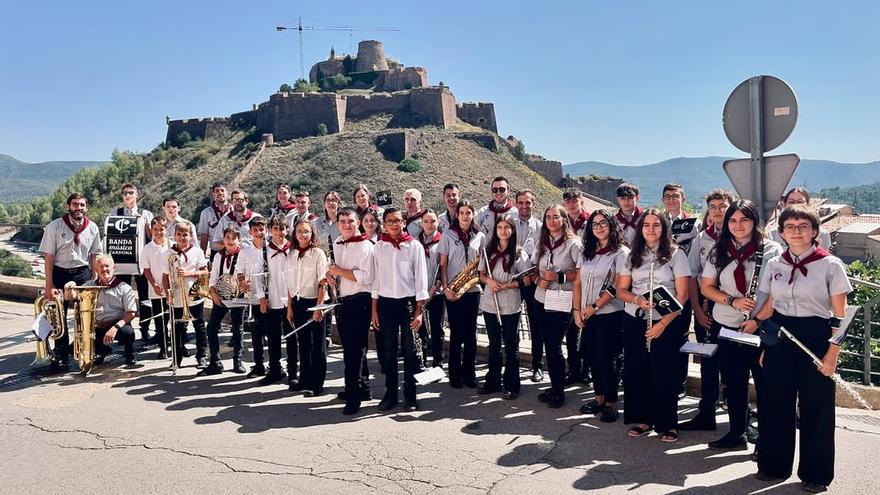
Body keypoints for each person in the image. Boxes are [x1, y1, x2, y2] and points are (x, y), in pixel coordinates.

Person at [748, 205, 851, 493]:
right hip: (780, 336)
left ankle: (816, 474)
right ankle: (773, 465)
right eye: (790, 226)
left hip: (817, 336)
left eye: (803, 225)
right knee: (774, 403)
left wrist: (832, 354)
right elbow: (770, 307)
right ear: (781, 232)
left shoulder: (831, 264)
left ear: (814, 231)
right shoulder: (774, 264)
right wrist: (765, 341)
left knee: (816, 407)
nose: (796, 230)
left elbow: (840, 316)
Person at [700, 200, 783, 450]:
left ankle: (767, 441)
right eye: (733, 220)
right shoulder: (719, 250)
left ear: (754, 222)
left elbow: (777, 293)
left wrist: (757, 319)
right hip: (727, 326)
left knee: (765, 384)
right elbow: (706, 287)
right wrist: (732, 301)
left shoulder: (772, 250)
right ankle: (737, 433)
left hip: (760, 327)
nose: (738, 225)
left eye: (744, 220)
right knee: (734, 383)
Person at [616, 209, 690, 443]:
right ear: (640, 229)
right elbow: (621, 290)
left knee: (664, 372)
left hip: (666, 320)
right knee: (638, 370)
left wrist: (663, 324)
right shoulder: (632, 256)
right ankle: (644, 419)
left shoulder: (676, 254)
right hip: (635, 317)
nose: (650, 229)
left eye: (656, 225)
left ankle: (668, 424)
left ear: (664, 227)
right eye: (646, 225)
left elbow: (683, 295)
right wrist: (637, 300)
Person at [680, 189, 735, 431]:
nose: (717, 211)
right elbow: (692, 277)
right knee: (708, 362)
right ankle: (706, 413)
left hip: (734, 305)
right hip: (706, 304)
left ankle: (739, 419)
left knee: (734, 363)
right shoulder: (701, 239)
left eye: (722, 206)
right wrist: (697, 311)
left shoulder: (739, 237)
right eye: (713, 207)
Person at [572, 209, 629, 422]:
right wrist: (577, 310)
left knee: (608, 359)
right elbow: (577, 281)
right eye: (594, 224)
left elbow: (617, 285)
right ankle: (598, 399)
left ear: (611, 225)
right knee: (592, 358)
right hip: (587, 313)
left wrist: (594, 306)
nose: (598, 227)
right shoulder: (587, 251)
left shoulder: (620, 252)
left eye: (603, 223)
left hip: (609, 313)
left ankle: (612, 404)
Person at [371, 207, 429, 411]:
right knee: (387, 351)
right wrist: (374, 309)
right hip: (386, 303)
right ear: (384, 224)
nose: (394, 224)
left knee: (410, 350)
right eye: (389, 221)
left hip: (408, 303)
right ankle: (390, 393)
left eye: (397, 220)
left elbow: (421, 280)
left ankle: (410, 395)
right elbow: (375, 281)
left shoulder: (414, 246)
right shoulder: (379, 247)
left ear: (403, 222)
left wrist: (419, 311)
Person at [39, 192, 103, 371]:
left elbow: (96, 252)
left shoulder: (92, 227)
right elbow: (48, 257)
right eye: (75, 205)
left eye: (82, 205)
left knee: (85, 315)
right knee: (58, 317)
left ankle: (84, 351)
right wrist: (49, 284)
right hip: (60, 273)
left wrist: (95, 275)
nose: (78, 208)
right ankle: (60, 355)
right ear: (68, 206)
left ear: (86, 207)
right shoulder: (55, 226)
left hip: (83, 274)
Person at [327, 207, 376, 415]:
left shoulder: (366, 245)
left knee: (353, 351)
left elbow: (366, 277)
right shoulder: (337, 243)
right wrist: (329, 277)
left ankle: (353, 395)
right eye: (343, 221)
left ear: (359, 223)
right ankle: (363, 388)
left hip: (360, 301)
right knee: (353, 347)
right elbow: (333, 269)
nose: (346, 225)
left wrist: (338, 272)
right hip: (343, 301)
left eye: (351, 221)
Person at [478, 217, 531, 400]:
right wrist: (490, 282)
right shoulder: (488, 251)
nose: (502, 230)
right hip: (490, 303)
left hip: (510, 305)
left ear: (512, 230)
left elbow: (526, 280)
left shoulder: (519, 254)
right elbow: (482, 275)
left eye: (506, 227)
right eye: (499, 227)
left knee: (510, 345)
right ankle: (493, 381)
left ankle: (512, 385)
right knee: (493, 344)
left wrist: (507, 285)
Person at [532, 205, 581, 407]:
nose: (551, 221)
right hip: (542, 298)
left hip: (563, 301)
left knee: (554, 345)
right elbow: (534, 269)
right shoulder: (542, 243)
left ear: (564, 220)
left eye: (556, 217)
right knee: (547, 344)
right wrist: (538, 280)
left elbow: (581, 274)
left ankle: (559, 392)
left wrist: (559, 276)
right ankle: (554, 385)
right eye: (548, 217)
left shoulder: (574, 244)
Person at [439, 199, 486, 389]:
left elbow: (483, 263)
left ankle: (470, 374)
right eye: (462, 213)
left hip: (473, 290)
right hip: (453, 290)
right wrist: (446, 287)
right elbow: (442, 265)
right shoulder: (448, 235)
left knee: (471, 334)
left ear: (473, 214)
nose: (465, 216)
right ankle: (455, 374)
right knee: (456, 334)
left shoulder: (480, 236)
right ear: (456, 215)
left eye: (468, 212)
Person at [64, 255, 138, 367]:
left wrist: (114, 328)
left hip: (116, 325)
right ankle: (103, 350)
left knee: (127, 333)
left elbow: (131, 313)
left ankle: (129, 355)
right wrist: (69, 288)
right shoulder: (90, 285)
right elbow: (72, 296)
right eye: (101, 267)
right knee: (72, 349)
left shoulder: (124, 287)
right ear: (97, 270)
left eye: (107, 266)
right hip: (96, 326)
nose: (104, 269)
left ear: (114, 268)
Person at [285, 218, 329, 397]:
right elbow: (289, 284)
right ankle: (304, 379)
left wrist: (319, 308)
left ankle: (317, 384)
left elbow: (323, 282)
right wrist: (289, 308)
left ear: (312, 234)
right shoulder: (292, 254)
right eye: (299, 231)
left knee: (317, 345)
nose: (302, 235)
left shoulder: (318, 253)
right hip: (297, 302)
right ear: (294, 234)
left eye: (306, 231)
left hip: (315, 303)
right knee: (302, 343)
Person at [200, 227, 247, 376]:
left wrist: (243, 287)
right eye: (228, 238)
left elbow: (247, 277)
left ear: (239, 240)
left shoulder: (244, 255)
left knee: (238, 329)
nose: (230, 241)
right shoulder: (219, 256)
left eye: (234, 238)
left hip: (238, 296)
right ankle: (215, 362)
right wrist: (213, 294)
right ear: (224, 240)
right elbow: (213, 278)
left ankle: (237, 361)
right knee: (212, 327)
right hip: (220, 297)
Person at [162, 220, 209, 368]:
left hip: (194, 294)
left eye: (186, 235)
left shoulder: (197, 251)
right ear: (175, 236)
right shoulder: (168, 253)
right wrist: (167, 293)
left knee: (199, 326)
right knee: (177, 328)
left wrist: (190, 273)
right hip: (176, 296)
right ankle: (176, 358)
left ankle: (201, 356)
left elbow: (205, 272)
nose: (183, 238)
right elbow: (165, 276)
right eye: (179, 234)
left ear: (190, 236)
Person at [114, 183, 155, 343]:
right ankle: (126, 330)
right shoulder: (116, 213)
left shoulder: (146, 213)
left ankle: (145, 329)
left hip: (142, 261)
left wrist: (144, 223)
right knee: (122, 296)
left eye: (131, 192)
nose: (128, 195)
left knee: (145, 297)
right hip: (123, 261)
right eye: (125, 193)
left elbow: (152, 237)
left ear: (137, 194)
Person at [258, 216, 296, 387]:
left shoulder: (293, 250)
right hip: (272, 300)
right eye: (275, 229)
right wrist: (261, 298)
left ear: (287, 230)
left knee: (291, 338)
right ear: (269, 231)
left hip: (289, 301)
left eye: (282, 229)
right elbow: (259, 277)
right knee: (273, 338)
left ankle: (293, 372)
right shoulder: (264, 250)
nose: (279, 233)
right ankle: (274, 370)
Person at [513, 189, 544, 382]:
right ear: (516, 203)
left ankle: (537, 366)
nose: (524, 206)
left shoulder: (541, 226)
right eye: (521, 203)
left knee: (536, 325)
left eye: (528, 202)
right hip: (513, 282)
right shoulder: (508, 223)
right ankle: (512, 365)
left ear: (534, 203)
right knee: (512, 324)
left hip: (533, 282)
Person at [561, 190, 590, 385]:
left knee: (586, 328)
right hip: (569, 282)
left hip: (587, 280)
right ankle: (573, 369)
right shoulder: (562, 222)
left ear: (581, 202)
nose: (571, 204)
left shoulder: (590, 222)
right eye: (567, 201)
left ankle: (586, 370)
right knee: (571, 330)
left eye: (574, 201)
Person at [236, 217, 270, 377]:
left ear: (266, 230)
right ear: (250, 232)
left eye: (261, 229)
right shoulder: (245, 252)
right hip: (255, 298)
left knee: (273, 335)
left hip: (273, 297)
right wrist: (243, 283)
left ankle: (275, 365)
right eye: (255, 230)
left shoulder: (272, 249)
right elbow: (240, 272)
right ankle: (259, 365)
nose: (259, 233)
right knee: (257, 335)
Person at [139, 217, 171, 359]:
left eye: (162, 229)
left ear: (166, 230)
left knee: (175, 319)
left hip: (172, 289)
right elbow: (146, 270)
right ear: (151, 230)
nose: (159, 232)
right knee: (160, 320)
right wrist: (154, 285)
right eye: (156, 230)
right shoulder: (146, 249)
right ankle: (163, 348)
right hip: (156, 290)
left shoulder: (173, 245)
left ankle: (179, 346)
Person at [417, 209, 444, 368]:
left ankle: (438, 363)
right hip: (419, 292)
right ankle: (421, 361)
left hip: (436, 293)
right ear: (421, 223)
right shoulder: (415, 242)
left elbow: (442, 268)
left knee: (437, 329)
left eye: (432, 221)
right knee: (420, 329)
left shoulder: (442, 241)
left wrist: (433, 291)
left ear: (438, 223)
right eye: (426, 221)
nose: (429, 224)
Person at [767, 187, 833, 250]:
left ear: (808, 205)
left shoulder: (822, 234)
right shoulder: (772, 234)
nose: (795, 205)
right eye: (791, 202)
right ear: (784, 205)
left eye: (800, 202)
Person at [197, 182, 231, 253]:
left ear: (227, 193)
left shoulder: (234, 211)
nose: (220, 193)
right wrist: (202, 256)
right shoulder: (206, 213)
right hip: (216, 251)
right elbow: (204, 236)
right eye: (217, 191)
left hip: (233, 250)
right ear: (213, 194)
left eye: (222, 190)